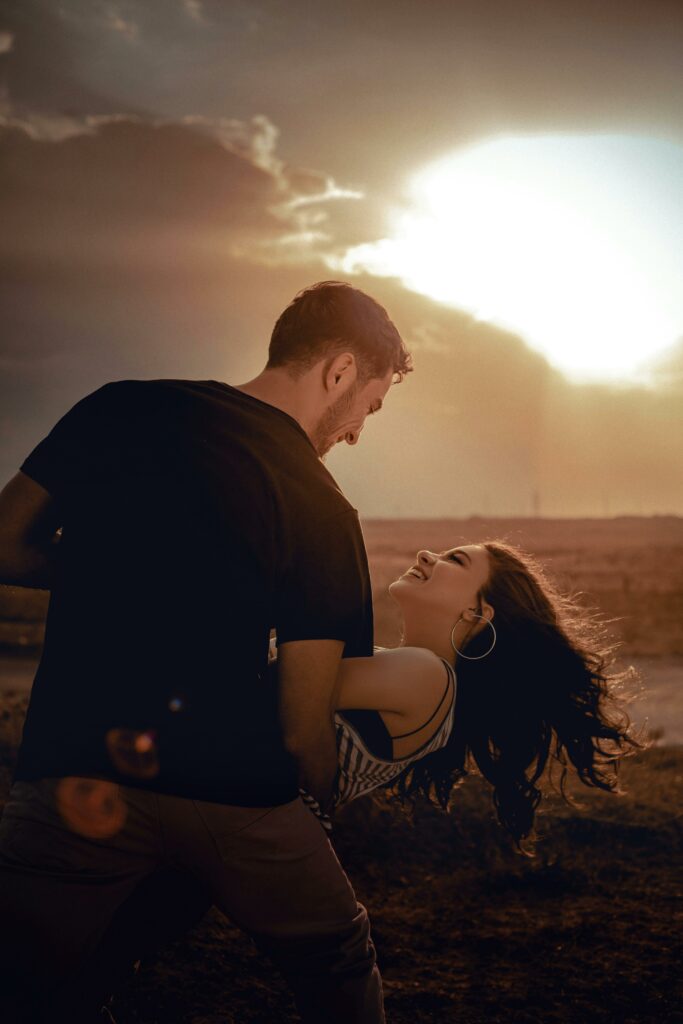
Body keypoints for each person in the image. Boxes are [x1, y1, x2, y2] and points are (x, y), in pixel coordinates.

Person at [0, 280, 412, 1024]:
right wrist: (326, 803)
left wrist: (108, 575)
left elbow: (3, 544)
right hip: (231, 791)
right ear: (341, 371)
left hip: (68, 777)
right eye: (369, 408)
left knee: (21, 981)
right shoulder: (320, 503)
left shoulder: (116, 406)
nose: (355, 431)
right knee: (337, 964)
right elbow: (300, 725)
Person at [84, 537, 639, 1008]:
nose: (426, 553)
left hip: (241, 825)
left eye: (454, 560)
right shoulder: (410, 674)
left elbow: (275, 687)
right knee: (94, 970)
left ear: (478, 614)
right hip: (224, 832)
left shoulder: (426, 676)